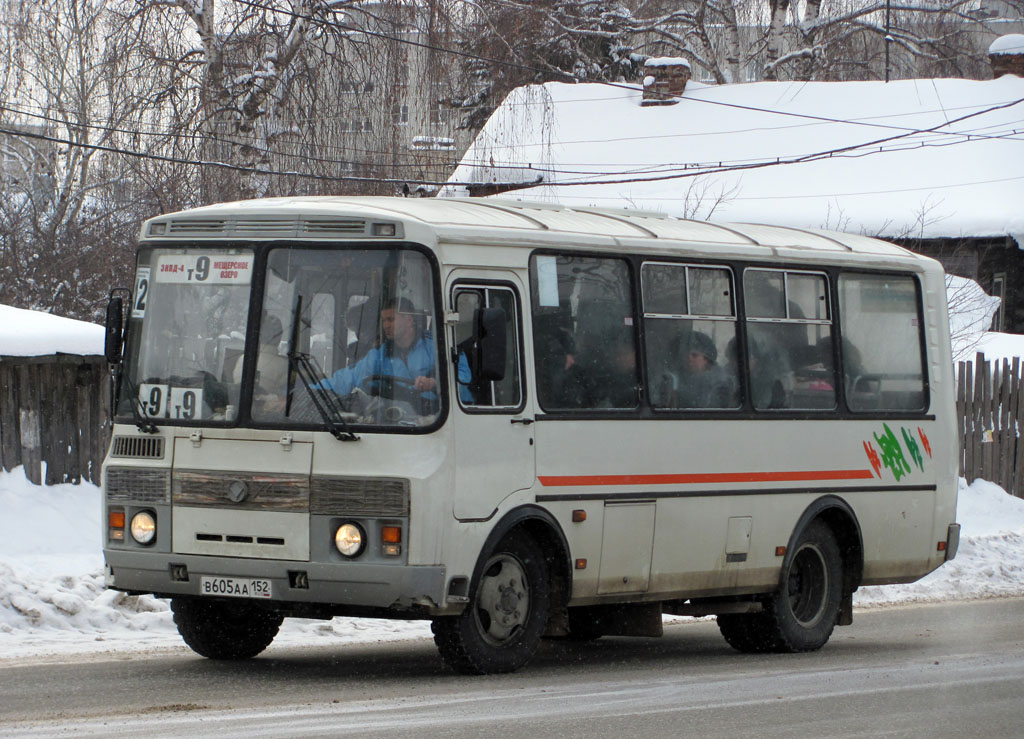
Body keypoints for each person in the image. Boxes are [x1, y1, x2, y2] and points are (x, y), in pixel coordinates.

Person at [321, 297, 437, 398]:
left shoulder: (433, 346)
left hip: (435, 417)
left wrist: (434, 383)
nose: (385, 325)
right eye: (384, 321)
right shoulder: (381, 354)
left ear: (409, 320)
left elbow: (453, 376)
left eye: (391, 320)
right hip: (397, 416)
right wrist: (316, 388)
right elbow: (350, 377)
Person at [677, 330, 735, 408]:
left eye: (694, 355)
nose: (689, 359)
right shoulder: (685, 378)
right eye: (686, 355)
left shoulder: (720, 384)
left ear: (706, 359)